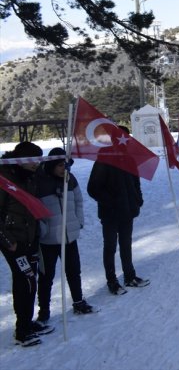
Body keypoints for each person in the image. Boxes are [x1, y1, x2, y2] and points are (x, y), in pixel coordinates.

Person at [0, 142, 54, 346]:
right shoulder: (4, 178)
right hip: (14, 241)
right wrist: (9, 242)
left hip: (30, 238)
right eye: (32, 160)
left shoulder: (29, 176)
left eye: (39, 159)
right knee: (26, 281)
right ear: (21, 159)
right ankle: (21, 330)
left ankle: (27, 322)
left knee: (31, 282)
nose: (36, 164)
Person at [87, 126, 150, 295]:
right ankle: (112, 281)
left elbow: (136, 182)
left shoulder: (129, 158)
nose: (126, 140)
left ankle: (129, 276)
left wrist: (138, 198)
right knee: (110, 247)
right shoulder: (104, 158)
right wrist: (111, 202)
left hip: (128, 211)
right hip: (110, 214)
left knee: (126, 245)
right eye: (123, 137)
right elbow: (93, 188)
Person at [36, 148, 94, 324]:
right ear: (53, 164)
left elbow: (78, 201)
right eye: (61, 165)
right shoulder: (39, 182)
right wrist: (43, 229)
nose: (64, 168)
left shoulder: (70, 178)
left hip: (69, 236)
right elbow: (35, 210)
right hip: (49, 239)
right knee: (46, 276)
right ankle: (44, 310)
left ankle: (78, 301)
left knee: (73, 270)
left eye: (66, 165)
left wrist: (78, 221)